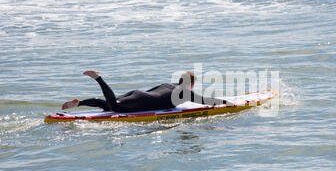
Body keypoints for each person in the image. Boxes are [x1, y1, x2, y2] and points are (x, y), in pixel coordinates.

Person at [61, 70, 232, 112]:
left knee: (108, 106)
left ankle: (80, 103)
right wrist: (229, 104)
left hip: (137, 93)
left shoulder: (169, 84)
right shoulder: (185, 92)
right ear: (191, 84)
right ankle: (98, 78)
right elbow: (207, 101)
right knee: (115, 108)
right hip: (143, 100)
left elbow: (153, 91)